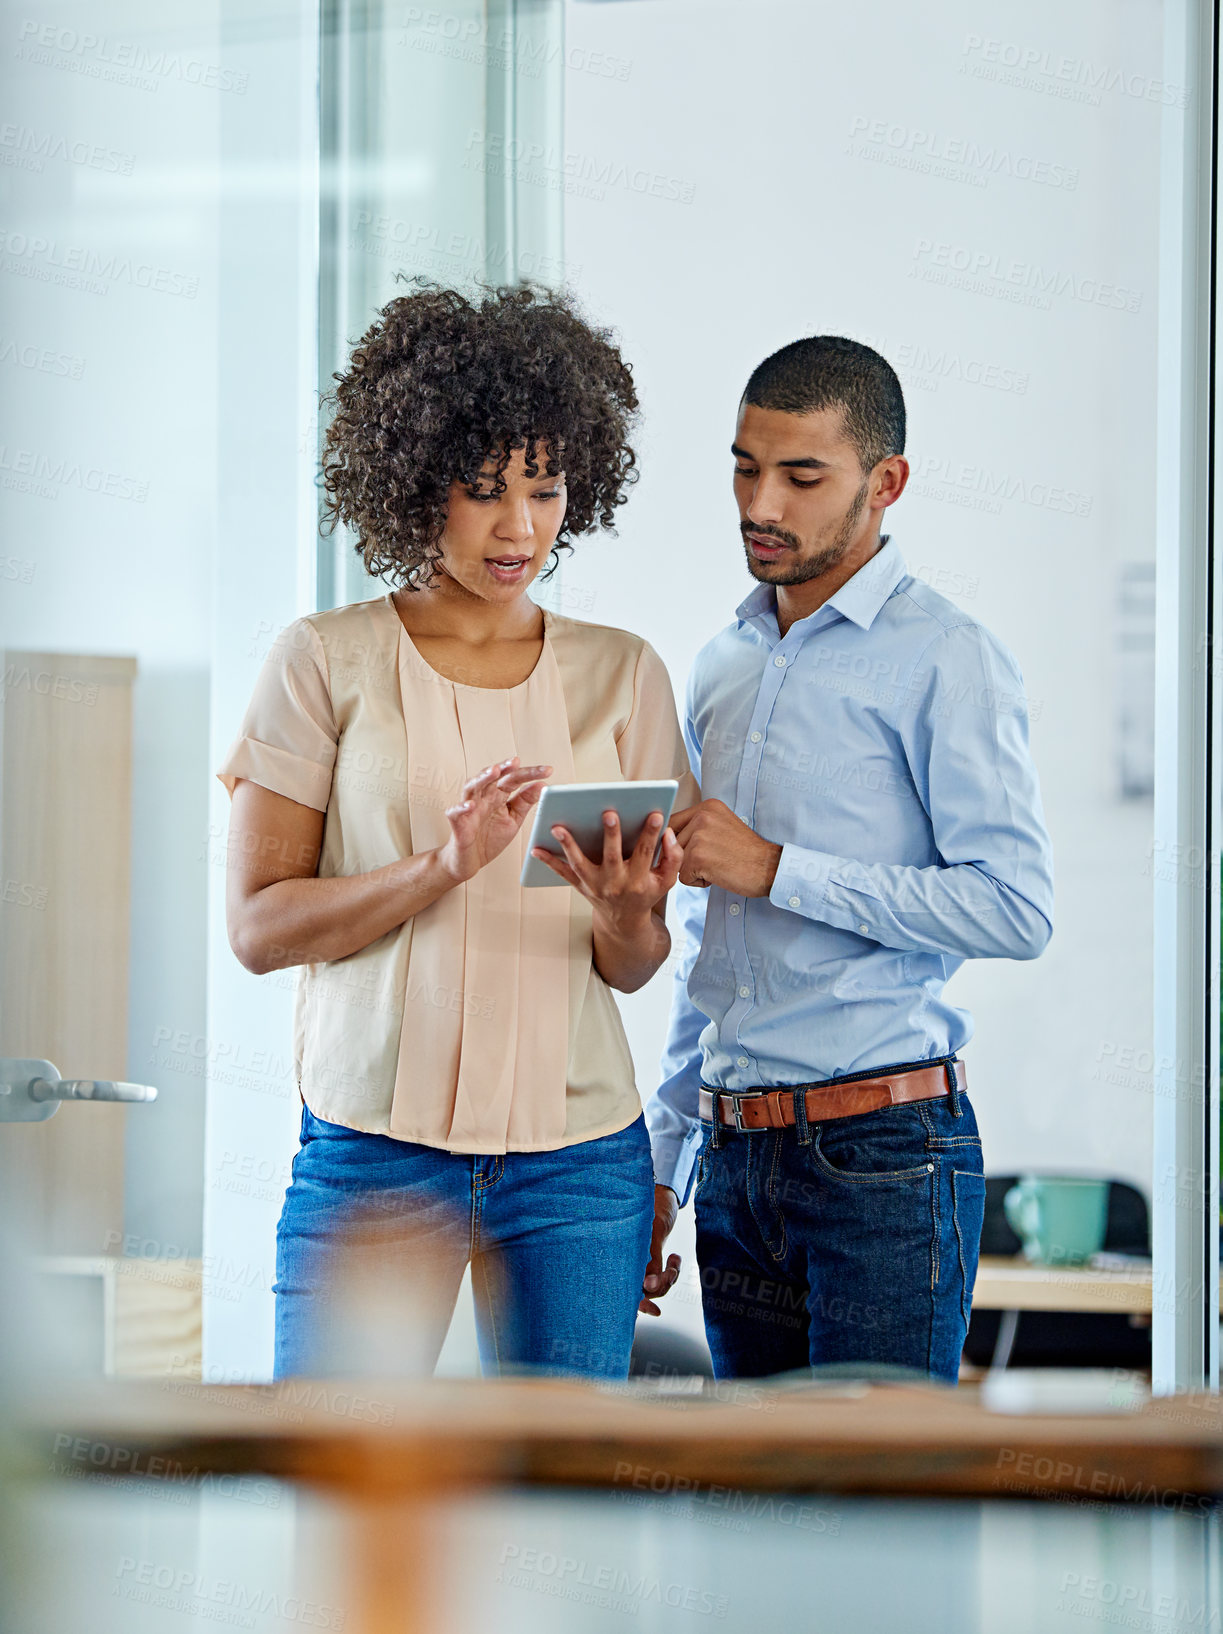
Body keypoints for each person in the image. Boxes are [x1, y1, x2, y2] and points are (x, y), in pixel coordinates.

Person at [217, 281, 696, 1381]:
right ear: (414, 478)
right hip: (373, 1152)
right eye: (483, 491)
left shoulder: (622, 672)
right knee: (343, 1496)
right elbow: (257, 924)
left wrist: (630, 914)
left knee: (565, 1528)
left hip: (577, 1161)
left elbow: (629, 965)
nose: (519, 527)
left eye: (545, 486)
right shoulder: (323, 658)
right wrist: (441, 864)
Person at [640, 336, 1054, 1382]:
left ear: (885, 484)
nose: (759, 501)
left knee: (878, 1530)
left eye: (799, 475)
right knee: (753, 1531)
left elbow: (1013, 907)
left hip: (882, 1156)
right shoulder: (722, 662)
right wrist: (663, 1161)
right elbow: (712, 939)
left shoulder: (944, 657)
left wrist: (779, 865)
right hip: (732, 1160)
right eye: (743, 465)